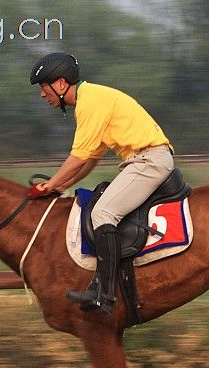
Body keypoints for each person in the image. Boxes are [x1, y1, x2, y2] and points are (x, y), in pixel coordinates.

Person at [29, 52, 175, 316]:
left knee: (102, 213)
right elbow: (89, 162)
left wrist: (51, 185)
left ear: (61, 84)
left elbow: (78, 158)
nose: (42, 94)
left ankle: (104, 294)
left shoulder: (89, 103)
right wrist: (61, 186)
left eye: (44, 87)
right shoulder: (91, 99)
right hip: (145, 160)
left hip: (149, 161)